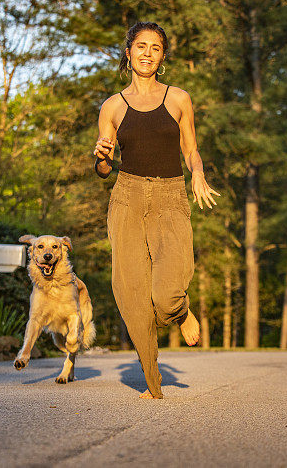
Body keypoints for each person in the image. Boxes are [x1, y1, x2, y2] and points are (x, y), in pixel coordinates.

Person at [92, 21, 220, 399]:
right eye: (141, 46)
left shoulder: (179, 99)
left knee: (166, 294)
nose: (147, 53)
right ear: (128, 52)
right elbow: (103, 169)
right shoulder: (112, 107)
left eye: (156, 47)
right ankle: (153, 383)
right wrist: (101, 157)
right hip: (127, 198)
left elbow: (190, 148)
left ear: (163, 56)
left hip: (170, 197)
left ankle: (179, 312)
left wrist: (197, 173)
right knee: (132, 295)